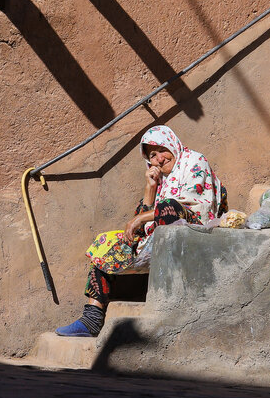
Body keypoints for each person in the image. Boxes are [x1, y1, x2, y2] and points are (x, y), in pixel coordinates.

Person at [56, 125, 226, 337]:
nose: (159, 159)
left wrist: (141, 218)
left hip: (197, 233)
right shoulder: (161, 180)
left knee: (167, 206)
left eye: (162, 150)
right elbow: (140, 227)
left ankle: (170, 299)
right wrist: (150, 188)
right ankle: (92, 318)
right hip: (158, 240)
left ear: (172, 144)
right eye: (152, 155)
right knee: (105, 242)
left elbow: (191, 206)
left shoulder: (193, 161)